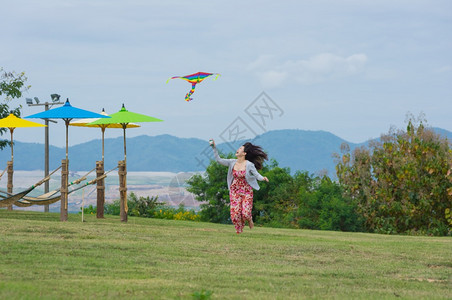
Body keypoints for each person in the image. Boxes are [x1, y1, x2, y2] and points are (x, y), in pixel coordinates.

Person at [210, 139, 269, 234]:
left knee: (245, 214)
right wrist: (214, 148)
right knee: (235, 214)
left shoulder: (249, 165)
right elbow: (219, 160)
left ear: (244, 153)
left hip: (246, 191)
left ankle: (249, 219)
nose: (237, 149)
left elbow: (257, 175)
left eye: (240, 148)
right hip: (235, 190)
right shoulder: (232, 162)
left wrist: (263, 178)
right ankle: (239, 231)